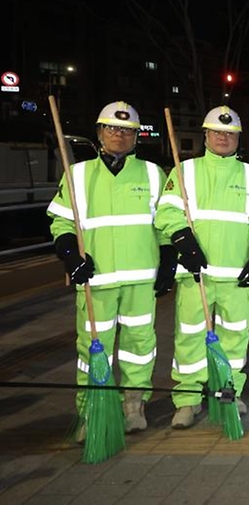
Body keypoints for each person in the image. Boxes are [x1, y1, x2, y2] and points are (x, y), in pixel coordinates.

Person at [48, 101, 176, 441]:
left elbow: (163, 223)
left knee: (140, 345)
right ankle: (93, 411)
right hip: (96, 280)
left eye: (127, 130)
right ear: (100, 133)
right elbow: (61, 222)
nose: (119, 135)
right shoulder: (77, 174)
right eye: (112, 128)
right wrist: (69, 255)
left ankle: (134, 406)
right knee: (93, 349)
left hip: (140, 279)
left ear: (137, 136)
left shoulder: (152, 173)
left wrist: (168, 260)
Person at [155, 106, 249, 428]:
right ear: (206, 135)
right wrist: (183, 241)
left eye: (230, 133)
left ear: (238, 138)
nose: (223, 137)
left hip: (237, 276)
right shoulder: (184, 171)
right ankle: (188, 400)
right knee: (190, 337)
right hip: (197, 275)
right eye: (218, 132)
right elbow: (166, 213)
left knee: (235, 339)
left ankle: (228, 391)